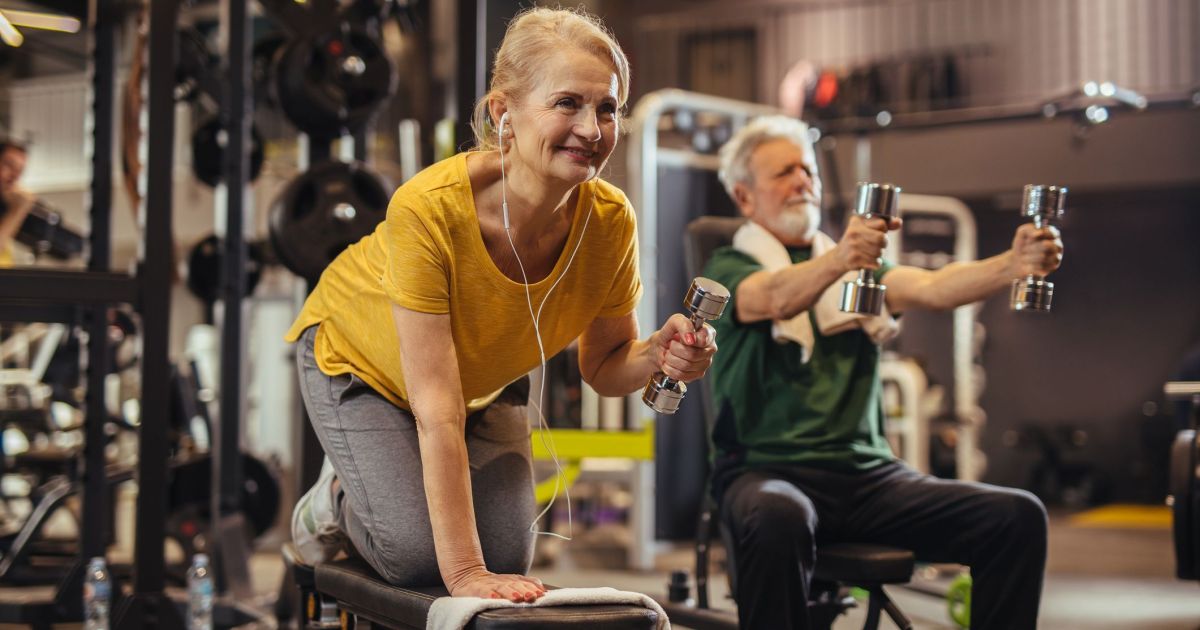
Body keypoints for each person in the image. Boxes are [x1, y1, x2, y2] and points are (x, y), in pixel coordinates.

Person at [284, 7, 716, 603]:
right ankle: (334, 501)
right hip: (360, 361)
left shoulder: (610, 220)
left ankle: (388, 500)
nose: (592, 129)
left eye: (607, 107)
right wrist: (465, 574)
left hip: (480, 383)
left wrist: (658, 355)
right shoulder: (429, 210)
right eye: (567, 103)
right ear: (503, 113)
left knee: (507, 555)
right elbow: (436, 412)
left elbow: (606, 365)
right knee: (418, 558)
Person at [702, 115, 1063, 630]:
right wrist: (843, 259)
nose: (803, 180)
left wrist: (1014, 262)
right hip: (766, 474)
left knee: (1016, 517)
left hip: (869, 482)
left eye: (808, 170)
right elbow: (776, 296)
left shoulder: (861, 272)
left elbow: (935, 288)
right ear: (744, 197)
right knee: (779, 514)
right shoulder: (728, 269)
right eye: (784, 172)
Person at [0, 140, 34, 268]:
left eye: (20, 170)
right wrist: (18, 210)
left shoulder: (5, 211)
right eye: (9, 165)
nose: (15, 176)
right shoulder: (14, 210)